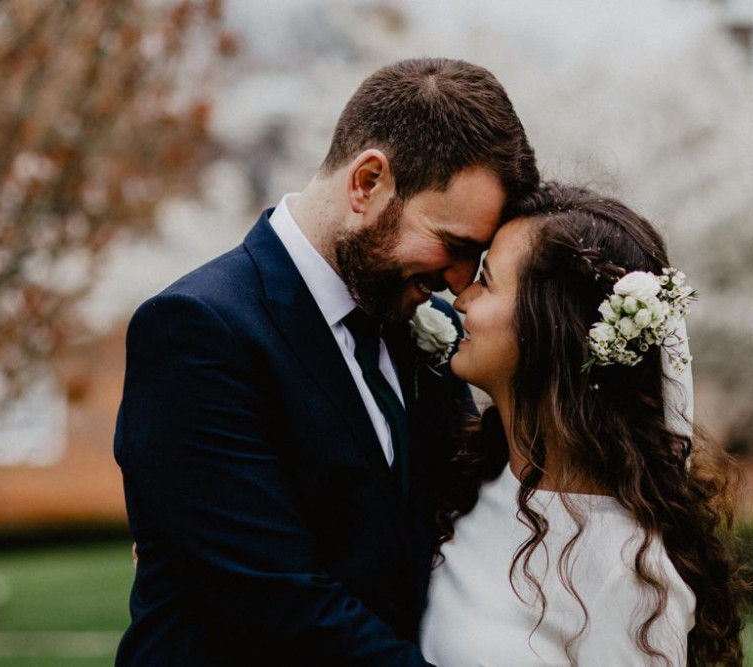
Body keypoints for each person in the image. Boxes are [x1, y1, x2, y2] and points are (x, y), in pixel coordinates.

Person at [113, 58, 538, 665]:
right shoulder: (198, 331)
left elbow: (450, 521)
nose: (456, 282)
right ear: (368, 182)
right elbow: (274, 602)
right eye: (453, 245)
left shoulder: (424, 328)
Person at [421, 184, 748, 665]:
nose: (462, 297)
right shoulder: (470, 480)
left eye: (487, 281)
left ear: (551, 329)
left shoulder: (629, 571)